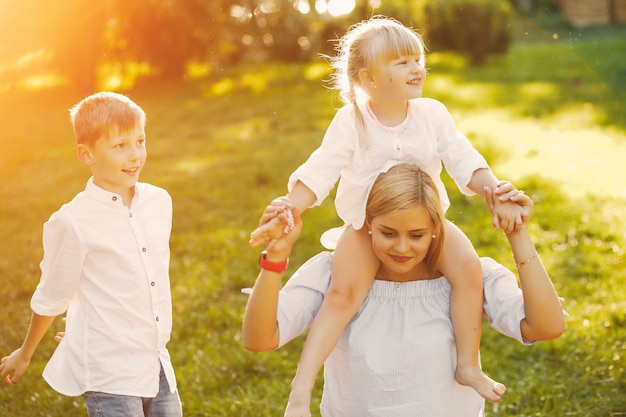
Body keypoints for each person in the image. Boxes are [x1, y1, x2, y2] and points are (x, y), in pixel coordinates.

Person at [248, 16, 526, 413]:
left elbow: (464, 158)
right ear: (368, 78)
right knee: (343, 294)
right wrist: (291, 205)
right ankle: (301, 384)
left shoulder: (431, 114)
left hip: (426, 223)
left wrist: (493, 190)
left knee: (468, 271)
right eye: (401, 62)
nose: (416, 68)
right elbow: (321, 169)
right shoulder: (352, 121)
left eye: (417, 59)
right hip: (366, 227)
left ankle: (468, 365)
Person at [243, 162, 565, 417]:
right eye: (387, 232)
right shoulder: (335, 277)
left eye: (416, 235)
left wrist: (518, 234)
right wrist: (276, 258)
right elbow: (260, 338)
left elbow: (546, 326)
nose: (402, 248)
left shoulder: (467, 279)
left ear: (436, 230)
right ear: (367, 224)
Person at [0, 92, 182, 417]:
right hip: (109, 371)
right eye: (119, 146)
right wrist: (25, 353)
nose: (135, 155)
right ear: (86, 154)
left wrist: (83, 325)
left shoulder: (159, 202)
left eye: (140, 141)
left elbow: (137, 280)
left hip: (155, 360)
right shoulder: (73, 222)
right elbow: (53, 296)